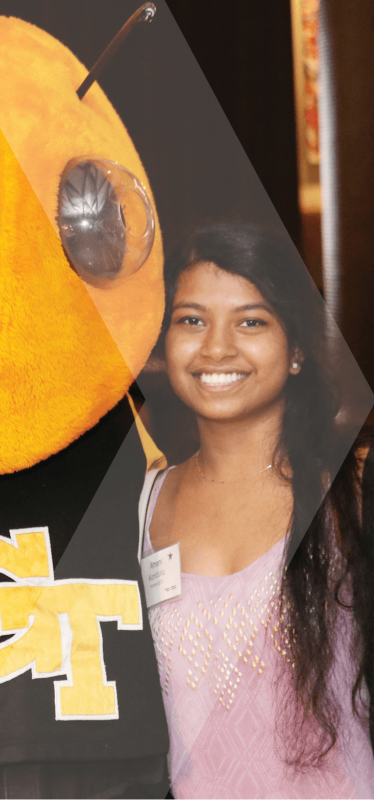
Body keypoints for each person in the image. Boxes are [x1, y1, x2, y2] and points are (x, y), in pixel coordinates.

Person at [140, 222, 374, 797]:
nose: (217, 347)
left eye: (251, 321)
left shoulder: (351, 495)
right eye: (191, 319)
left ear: (295, 349)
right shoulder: (140, 504)